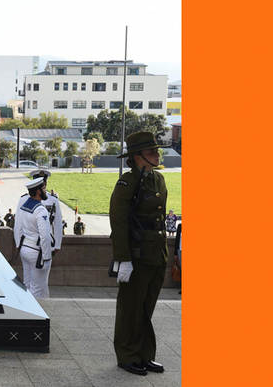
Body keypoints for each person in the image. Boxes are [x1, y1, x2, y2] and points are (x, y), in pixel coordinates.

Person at [108, 131, 168, 376]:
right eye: (151, 151)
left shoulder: (158, 179)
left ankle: (145, 355)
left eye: (156, 150)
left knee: (146, 308)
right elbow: (119, 222)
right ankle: (127, 355)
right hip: (136, 254)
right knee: (130, 308)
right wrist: (123, 259)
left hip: (156, 253)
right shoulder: (127, 182)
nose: (157, 154)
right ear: (137, 156)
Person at [13, 177, 54, 298]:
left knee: (27, 285)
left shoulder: (25, 205)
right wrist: (46, 257)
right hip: (37, 252)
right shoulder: (40, 210)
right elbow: (45, 236)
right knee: (38, 288)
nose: (45, 191)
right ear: (38, 191)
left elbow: (19, 227)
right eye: (43, 188)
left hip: (25, 248)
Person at [15, 169, 63, 259]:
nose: (44, 185)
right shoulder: (24, 200)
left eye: (44, 183)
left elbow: (57, 223)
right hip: (29, 244)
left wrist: (57, 245)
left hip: (48, 244)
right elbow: (18, 223)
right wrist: (18, 243)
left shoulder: (53, 200)